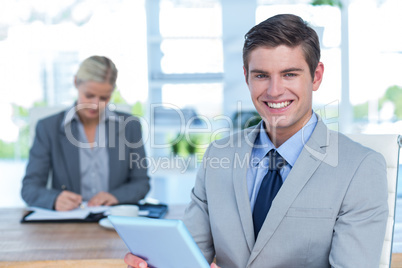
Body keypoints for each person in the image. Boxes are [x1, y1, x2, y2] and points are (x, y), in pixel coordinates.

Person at [125, 14, 388, 268]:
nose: (274, 91)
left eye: (290, 74)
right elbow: (191, 256)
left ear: (316, 76)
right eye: (261, 75)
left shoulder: (360, 168)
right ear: (246, 76)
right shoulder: (219, 155)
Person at [21, 55, 150, 211]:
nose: (96, 105)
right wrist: (54, 199)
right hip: (69, 225)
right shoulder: (48, 128)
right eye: (89, 95)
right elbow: (29, 189)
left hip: (114, 222)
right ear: (76, 82)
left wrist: (116, 196)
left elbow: (141, 183)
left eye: (104, 97)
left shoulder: (130, 126)